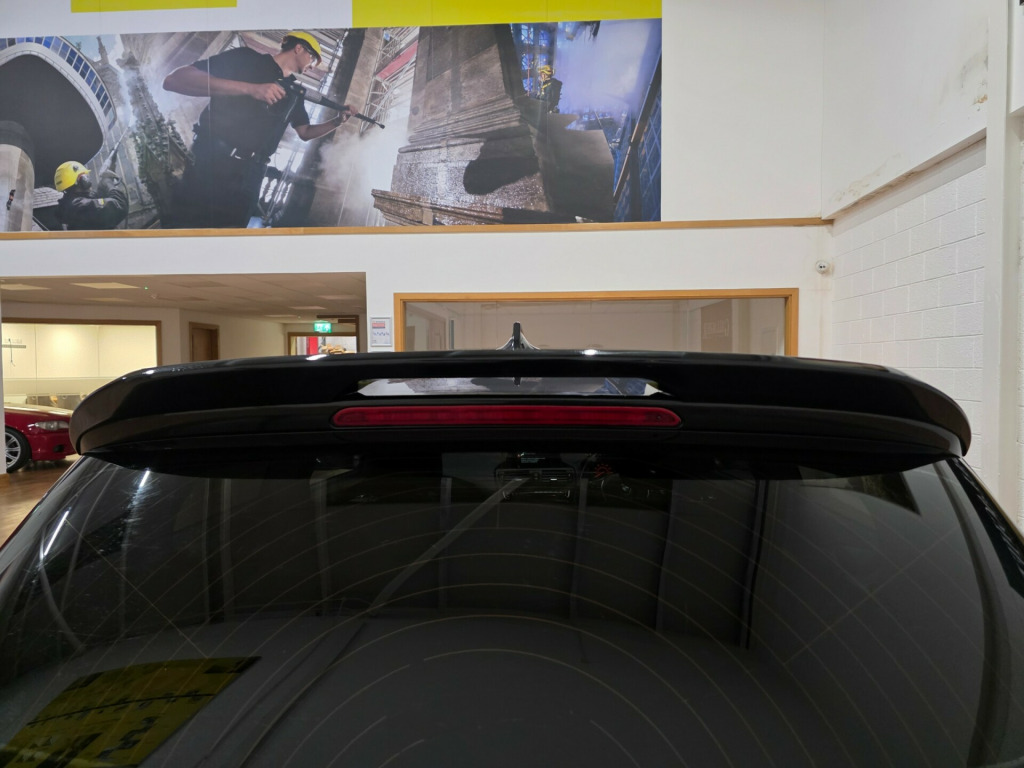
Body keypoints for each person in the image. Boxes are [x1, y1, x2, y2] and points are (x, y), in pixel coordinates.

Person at [162, 31, 354, 229]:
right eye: (312, 58)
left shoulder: (294, 93)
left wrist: (337, 121)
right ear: (299, 48)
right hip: (211, 162)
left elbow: (304, 132)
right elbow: (175, 80)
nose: (313, 65)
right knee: (185, 228)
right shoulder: (246, 58)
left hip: (251, 176)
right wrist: (251, 89)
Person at [53, 161, 128, 230]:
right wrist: (109, 184)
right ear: (83, 180)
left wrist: (101, 188)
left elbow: (92, 200)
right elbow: (119, 205)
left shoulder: (69, 205)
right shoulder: (80, 206)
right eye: (86, 176)